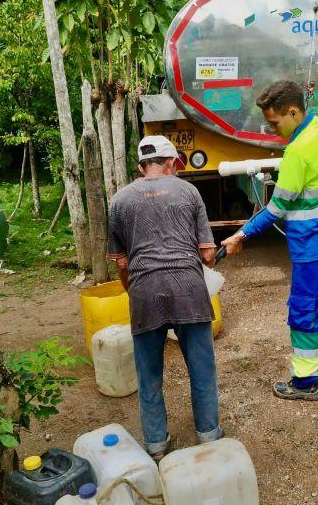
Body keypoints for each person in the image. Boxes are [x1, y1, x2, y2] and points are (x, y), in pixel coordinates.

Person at [221, 80, 318, 401]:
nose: (271, 128)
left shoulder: (296, 152)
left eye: (275, 122)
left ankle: (304, 383)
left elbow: (276, 209)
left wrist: (241, 234)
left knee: (305, 309)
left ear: (293, 111)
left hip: (312, 246)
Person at [107, 135, 223, 461]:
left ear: (141, 166)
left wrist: (134, 291)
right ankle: (209, 435)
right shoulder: (188, 191)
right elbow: (209, 255)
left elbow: (121, 262)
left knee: (149, 375)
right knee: (201, 368)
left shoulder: (119, 200)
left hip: (144, 292)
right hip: (189, 289)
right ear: (171, 163)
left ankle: (157, 446)